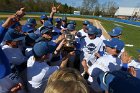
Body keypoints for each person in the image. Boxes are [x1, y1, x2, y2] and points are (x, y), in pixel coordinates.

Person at [0, 8, 25, 79]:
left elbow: (6, 26)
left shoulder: (15, 45)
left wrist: (16, 16)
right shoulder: (6, 49)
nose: (18, 41)